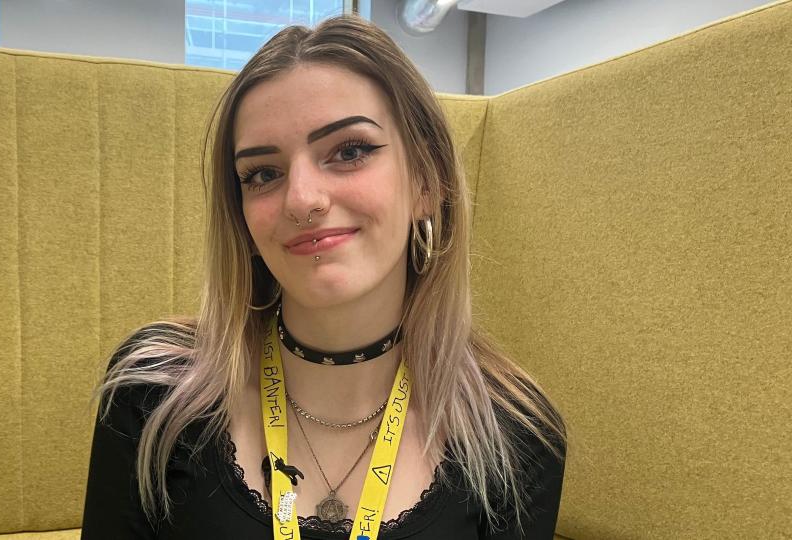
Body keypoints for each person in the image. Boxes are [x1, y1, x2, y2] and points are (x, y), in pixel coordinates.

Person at [82, 13, 568, 540]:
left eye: (350, 151)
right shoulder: (155, 392)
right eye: (263, 174)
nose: (302, 200)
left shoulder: (516, 434)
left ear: (427, 180)